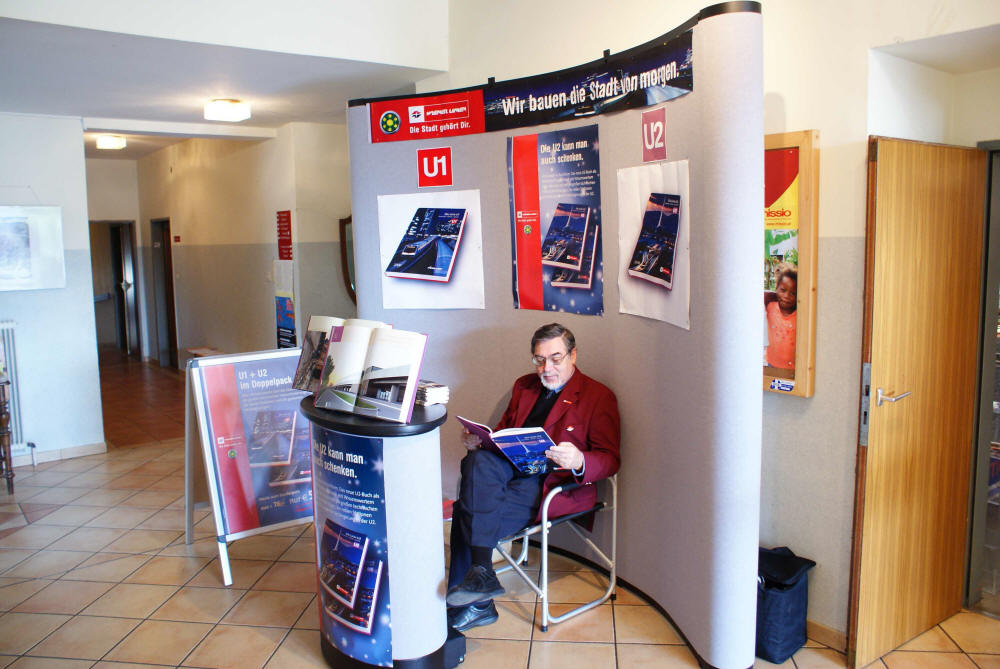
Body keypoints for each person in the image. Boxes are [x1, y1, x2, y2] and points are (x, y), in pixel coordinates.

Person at [446, 323, 620, 632]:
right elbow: (502, 435)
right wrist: (479, 441)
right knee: (478, 459)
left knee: (465, 512)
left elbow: (610, 459)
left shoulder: (597, 396)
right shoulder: (524, 386)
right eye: (539, 359)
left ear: (573, 355)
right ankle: (481, 580)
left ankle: (475, 602)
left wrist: (579, 459)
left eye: (555, 358)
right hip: (509, 471)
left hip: (549, 485)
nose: (546, 368)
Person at [765, 267, 797, 369]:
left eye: (793, 293)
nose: (787, 296)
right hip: (771, 365)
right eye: (783, 290)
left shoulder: (800, 315)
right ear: (776, 289)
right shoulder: (770, 306)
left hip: (792, 369)